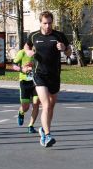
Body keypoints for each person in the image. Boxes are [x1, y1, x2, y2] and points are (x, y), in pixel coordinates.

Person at [24, 11, 71, 148]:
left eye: (50, 23)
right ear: (40, 23)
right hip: (39, 75)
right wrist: (28, 52)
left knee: (51, 105)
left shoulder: (59, 35)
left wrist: (64, 49)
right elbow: (26, 46)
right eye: (45, 23)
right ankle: (48, 135)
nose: (48, 26)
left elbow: (69, 51)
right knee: (45, 104)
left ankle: (44, 131)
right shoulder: (33, 36)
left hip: (54, 75)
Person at [13, 47, 40, 133]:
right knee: (26, 107)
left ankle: (31, 125)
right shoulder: (22, 53)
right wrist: (22, 69)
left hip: (36, 82)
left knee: (36, 103)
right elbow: (13, 65)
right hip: (24, 81)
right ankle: (21, 112)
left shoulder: (39, 53)